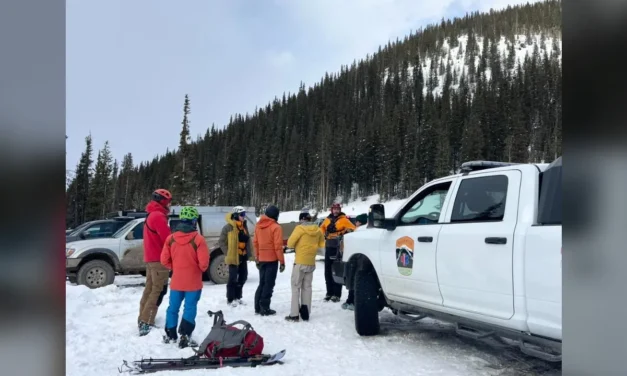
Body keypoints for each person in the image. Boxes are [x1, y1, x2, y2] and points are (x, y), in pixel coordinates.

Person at [160, 206, 210, 348]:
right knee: (190, 308)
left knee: (173, 308)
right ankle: (185, 336)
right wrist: (196, 269)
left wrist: (175, 268)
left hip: (176, 281)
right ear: (194, 222)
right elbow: (204, 264)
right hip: (193, 282)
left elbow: (164, 260)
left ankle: (171, 335)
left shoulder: (170, 239)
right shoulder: (199, 239)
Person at [138, 188, 173, 336]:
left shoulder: (151, 214)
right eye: (169, 202)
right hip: (159, 259)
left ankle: (143, 317)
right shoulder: (158, 216)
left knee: (150, 288)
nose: (170, 205)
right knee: (158, 290)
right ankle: (146, 322)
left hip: (151, 258)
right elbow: (167, 238)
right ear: (163, 202)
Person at [285, 211, 325, 322]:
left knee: (295, 286)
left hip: (300, 262)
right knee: (307, 287)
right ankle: (306, 313)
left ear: (302, 219)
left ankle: (294, 314)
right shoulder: (318, 230)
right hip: (311, 262)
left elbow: (290, 243)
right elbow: (322, 245)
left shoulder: (299, 229)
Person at [319, 203, 356, 302]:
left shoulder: (344, 220)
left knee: (336, 270)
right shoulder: (327, 219)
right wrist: (323, 233)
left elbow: (353, 229)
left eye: (337, 209)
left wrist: (343, 233)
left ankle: (337, 294)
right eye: (334, 209)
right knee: (327, 271)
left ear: (340, 210)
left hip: (338, 247)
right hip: (329, 246)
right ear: (331, 210)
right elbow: (321, 228)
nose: (336, 211)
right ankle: (329, 293)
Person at [253, 205, 285, 316]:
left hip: (261, 258)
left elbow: (255, 243)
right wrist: (282, 261)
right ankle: (264, 308)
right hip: (272, 259)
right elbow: (278, 246)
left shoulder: (258, 226)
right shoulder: (276, 227)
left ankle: (257, 306)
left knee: (262, 282)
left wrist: (257, 258)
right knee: (269, 284)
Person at [219, 206, 253, 307]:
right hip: (233, 256)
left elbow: (247, 240)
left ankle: (238, 297)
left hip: (243, 255)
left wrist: (250, 253)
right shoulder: (228, 227)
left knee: (243, 277)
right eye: (242, 214)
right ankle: (230, 299)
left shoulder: (244, 226)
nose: (243, 216)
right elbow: (221, 242)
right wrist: (228, 252)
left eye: (244, 214)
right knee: (233, 278)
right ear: (236, 215)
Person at [341, 213, 368, 310]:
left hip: (356, 260)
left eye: (356, 221)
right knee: (353, 280)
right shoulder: (361, 231)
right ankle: (350, 300)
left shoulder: (360, 232)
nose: (355, 223)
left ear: (360, 222)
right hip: (356, 259)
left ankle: (353, 301)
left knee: (353, 280)